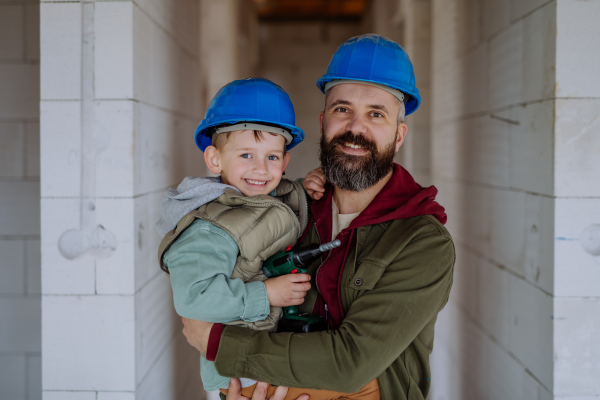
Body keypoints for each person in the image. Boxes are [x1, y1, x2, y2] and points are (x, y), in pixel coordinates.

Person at [181, 34, 455, 400]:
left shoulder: (421, 241)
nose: (356, 128)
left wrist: (222, 345)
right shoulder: (291, 210)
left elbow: (351, 363)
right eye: (343, 110)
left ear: (399, 134)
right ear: (324, 121)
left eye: (376, 114)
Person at [156, 78, 378, 399]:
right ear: (215, 159)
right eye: (246, 155)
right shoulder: (209, 228)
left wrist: (307, 185)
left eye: (272, 158)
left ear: (284, 162)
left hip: (264, 352)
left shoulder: (253, 195)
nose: (261, 169)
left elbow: (273, 208)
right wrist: (266, 294)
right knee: (363, 385)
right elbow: (193, 299)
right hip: (241, 375)